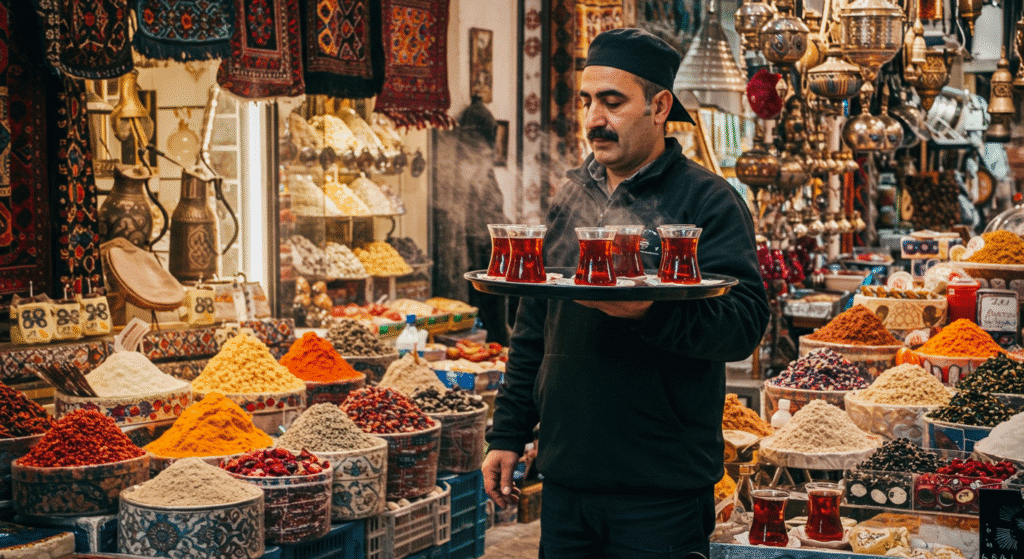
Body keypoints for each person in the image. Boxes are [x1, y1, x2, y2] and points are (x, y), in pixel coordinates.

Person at [481, 28, 770, 559]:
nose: (595, 118)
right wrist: (507, 432)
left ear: (659, 106)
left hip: (660, 491)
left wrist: (648, 313)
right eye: (588, 101)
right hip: (567, 483)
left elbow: (745, 324)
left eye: (613, 102)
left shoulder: (709, 201)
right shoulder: (571, 199)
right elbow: (532, 329)